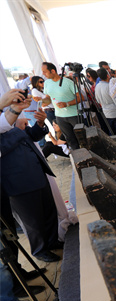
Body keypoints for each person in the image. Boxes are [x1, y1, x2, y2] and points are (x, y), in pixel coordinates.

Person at [0, 94, 62, 263]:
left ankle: (52, 241)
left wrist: (40, 123)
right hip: (18, 183)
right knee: (33, 221)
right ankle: (40, 250)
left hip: (36, 173)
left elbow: (32, 135)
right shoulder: (9, 126)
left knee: (49, 212)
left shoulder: (10, 122)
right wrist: (17, 130)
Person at [41, 62, 81, 149]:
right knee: (70, 140)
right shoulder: (47, 83)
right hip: (59, 116)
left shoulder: (68, 82)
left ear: (52, 71)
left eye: (45, 71)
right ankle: (77, 155)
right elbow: (48, 98)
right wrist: (41, 102)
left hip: (74, 115)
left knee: (81, 138)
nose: (43, 74)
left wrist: (67, 104)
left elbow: (80, 98)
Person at [94, 67, 116, 135]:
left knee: (111, 132)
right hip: (115, 112)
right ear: (108, 75)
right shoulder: (109, 86)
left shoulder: (97, 86)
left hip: (106, 113)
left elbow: (98, 100)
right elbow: (115, 100)